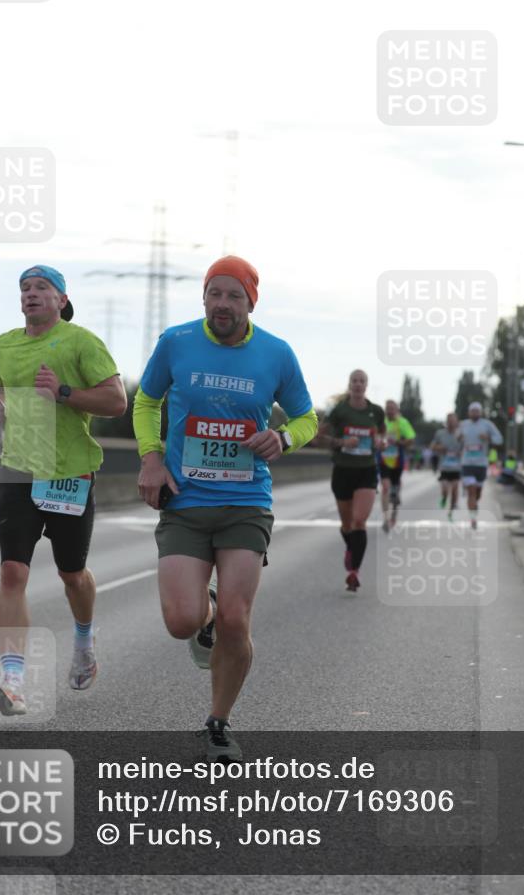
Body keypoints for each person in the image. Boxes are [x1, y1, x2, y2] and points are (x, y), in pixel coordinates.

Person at [133, 256, 317, 761]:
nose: (222, 304)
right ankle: (205, 615)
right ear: (205, 298)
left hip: (245, 501)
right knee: (181, 620)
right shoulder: (176, 342)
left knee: (239, 618)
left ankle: (218, 721)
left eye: (234, 295)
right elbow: (146, 402)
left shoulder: (276, 353)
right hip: (186, 500)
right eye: (214, 293)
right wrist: (151, 460)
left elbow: (307, 417)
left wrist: (283, 437)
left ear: (250, 303)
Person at [0, 265, 127, 716]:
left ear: (62, 299)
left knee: (72, 575)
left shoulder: (81, 342)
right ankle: (13, 682)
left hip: (70, 473)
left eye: (41, 288)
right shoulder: (6, 344)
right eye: (24, 288)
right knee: (12, 573)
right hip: (19, 472)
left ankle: (84, 638)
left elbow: (116, 400)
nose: (30, 294)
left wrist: (63, 392)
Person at [318, 371, 385, 591]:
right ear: (350, 385)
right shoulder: (340, 410)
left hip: (366, 470)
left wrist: (381, 443)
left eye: (362, 381)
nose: (358, 384)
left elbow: (382, 436)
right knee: (347, 525)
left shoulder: (376, 411)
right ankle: (351, 550)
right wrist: (342, 441)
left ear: (366, 385)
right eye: (354, 381)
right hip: (343, 471)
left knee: (359, 521)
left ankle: (354, 572)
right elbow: (319, 437)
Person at [457, 402, 503, 529]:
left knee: (477, 493)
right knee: (471, 490)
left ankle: (474, 504)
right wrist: (459, 437)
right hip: (467, 463)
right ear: (469, 412)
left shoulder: (487, 425)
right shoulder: (463, 424)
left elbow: (499, 439)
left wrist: (488, 437)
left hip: (481, 463)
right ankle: (473, 518)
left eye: (477, 411)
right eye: (472, 411)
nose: (474, 413)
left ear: (481, 412)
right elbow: (455, 439)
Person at [378, 400, 415, 531]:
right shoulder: (381, 422)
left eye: (392, 409)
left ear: (397, 410)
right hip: (383, 460)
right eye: (387, 408)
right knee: (385, 487)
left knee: (394, 489)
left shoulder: (402, 422)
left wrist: (399, 442)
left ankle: (394, 512)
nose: (390, 411)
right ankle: (385, 519)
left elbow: (411, 438)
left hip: (397, 460)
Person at [432, 413, 462, 520]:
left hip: (457, 467)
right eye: (449, 421)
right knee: (445, 490)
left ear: (456, 422)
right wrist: (440, 448)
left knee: (454, 489)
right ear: (446, 422)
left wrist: (461, 452)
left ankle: (451, 512)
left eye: (453, 421)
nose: (451, 423)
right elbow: (432, 446)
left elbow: (466, 447)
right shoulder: (440, 433)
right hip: (444, 467)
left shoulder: (460, 434)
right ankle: (444, 498)